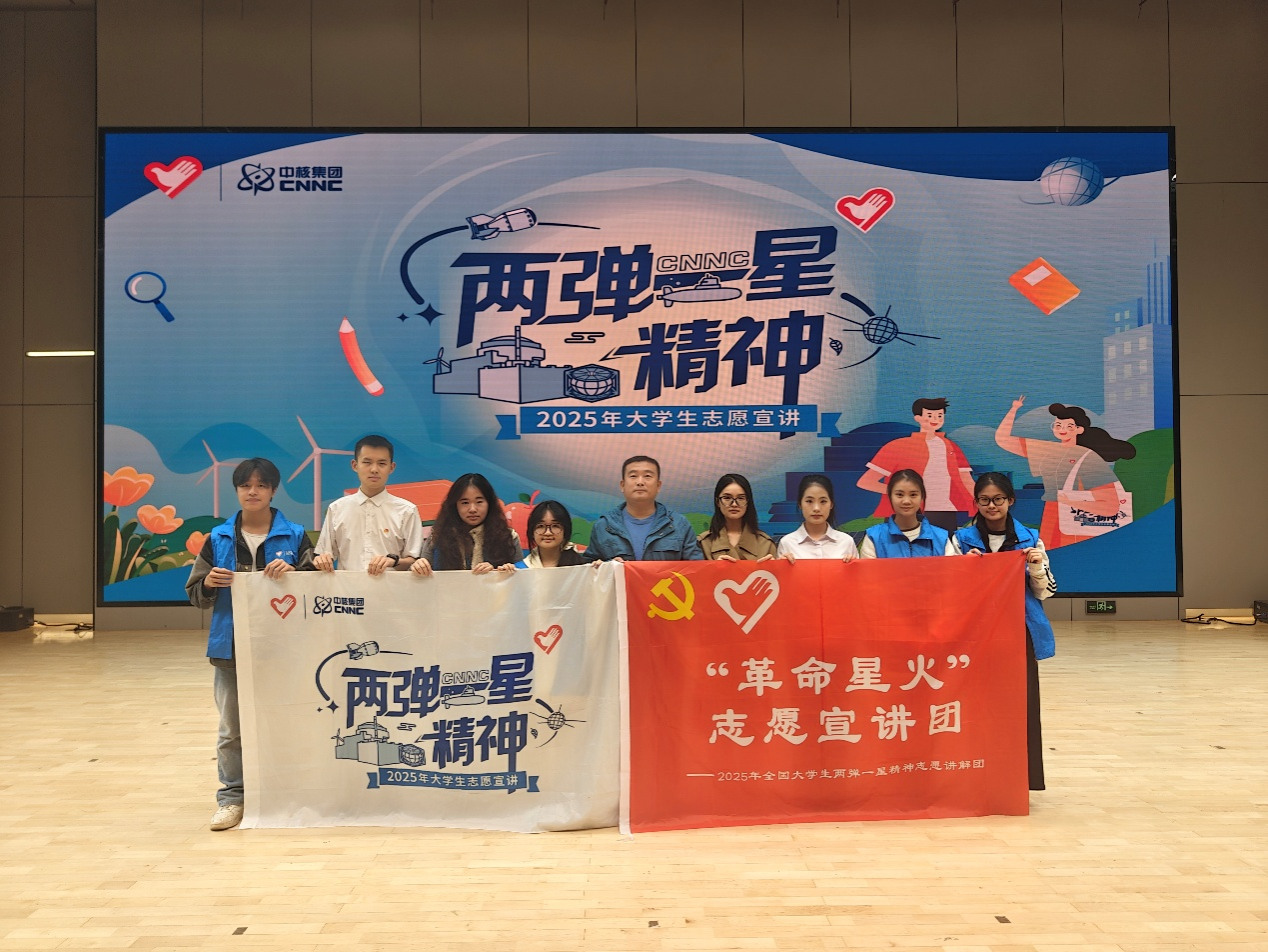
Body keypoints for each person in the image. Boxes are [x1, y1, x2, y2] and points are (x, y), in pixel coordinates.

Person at [185, 457, 313, 832]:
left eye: (260, 485)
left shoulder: (296, 536)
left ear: (273, 490)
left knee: (288, 719)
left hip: (284, 649)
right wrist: (209, 583)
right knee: (232, 729)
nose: (252, 492)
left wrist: (296, 573)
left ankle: (286, 792)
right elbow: (195, 594)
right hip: (231, 648)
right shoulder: (218, 538)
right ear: (237, 491)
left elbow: (318, 587)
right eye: (245, 486)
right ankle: (232, 799)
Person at [953, 472, 1057, 791]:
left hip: (1018, 635)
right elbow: (950, 592)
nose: (992, 505)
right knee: (974, 704)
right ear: (976, 503)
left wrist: (1036, 567)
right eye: (984, 500)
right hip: (976, 636)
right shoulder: (960, 541)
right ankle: (973, 773)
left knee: (1021, 706)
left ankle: (1021, 778)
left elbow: (1046, 592)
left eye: (998, 499)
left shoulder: (1031, 539)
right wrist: (963, 570)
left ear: (1010, 500)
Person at [994, 397, 1136, 549]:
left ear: (1079, 429)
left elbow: (1110, 506)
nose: (1062, 429)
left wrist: (1069, 502)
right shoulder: (1047, 451)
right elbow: (1003, 439)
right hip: (1052, 519)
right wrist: (1014, 409)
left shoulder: (1088, 457)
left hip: (1078, 524)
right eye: (1058, 425)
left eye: (1069, 426)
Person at [857, 397, 975, 532]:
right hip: (905, 511)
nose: (935, 419)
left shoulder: (951, 447)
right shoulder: (898, 446)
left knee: (944, 545)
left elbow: (966, 480)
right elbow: (866, 482)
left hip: (944, 510)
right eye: (929, 415)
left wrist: (982, 500)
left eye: (939, 415)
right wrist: (903, 495)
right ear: (917, 418)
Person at [312, 434, 425, 574]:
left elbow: (414, 561)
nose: (374, 469)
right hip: (348, 587)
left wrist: (393, 561)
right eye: (367, 462)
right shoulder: (336, 509)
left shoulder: (407, 511)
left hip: (391, 587)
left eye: (382, 463)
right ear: (355, 465)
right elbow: (324, 555)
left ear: (391, 467)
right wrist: (321, 560)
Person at [587, 456, 704, 561]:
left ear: (658, 485)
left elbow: (696, 568)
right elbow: (589, 567)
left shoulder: (679, 524)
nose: (640, 482)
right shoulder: (604, 526)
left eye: (647, 476)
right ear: (622, 485)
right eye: (633, 476)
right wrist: (606, 566)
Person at [417, 473, 521, 573]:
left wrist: (498, 572)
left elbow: (522, 576)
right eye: (465, 503)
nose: (472, 509)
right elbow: (421, 577)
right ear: (454, 505)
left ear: (490, 504)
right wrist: (419, 568)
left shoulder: (508, 537)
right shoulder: (437, 537)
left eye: (479, 502)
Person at [859, 469, 956, 558]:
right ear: (890, 496)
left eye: (913, 495)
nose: (906, 501)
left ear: (922, 497)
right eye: (899, 494)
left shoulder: (941, 538)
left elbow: (951, 570)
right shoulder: (874, 537)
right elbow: (868, 571)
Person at [776, 474, 858, 561]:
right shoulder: (787, 543)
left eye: (823, 501)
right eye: (809, 501)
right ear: (800, 504)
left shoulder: (846, 542)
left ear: (831, 504)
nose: (816, 508)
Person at [698, 473, 777, 561]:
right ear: (717, 502)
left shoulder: (765, 543)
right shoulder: (703, 543)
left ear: (748, 502)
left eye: (740, 498)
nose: (734, 504)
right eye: (727, 498)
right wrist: (715, 567)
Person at [522, 500, 590, 568]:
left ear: (565, 530)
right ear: (532, 531)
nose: (548, 533)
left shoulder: (582, 567)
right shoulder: (521, 569)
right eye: (540, 526)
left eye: (555, 526)